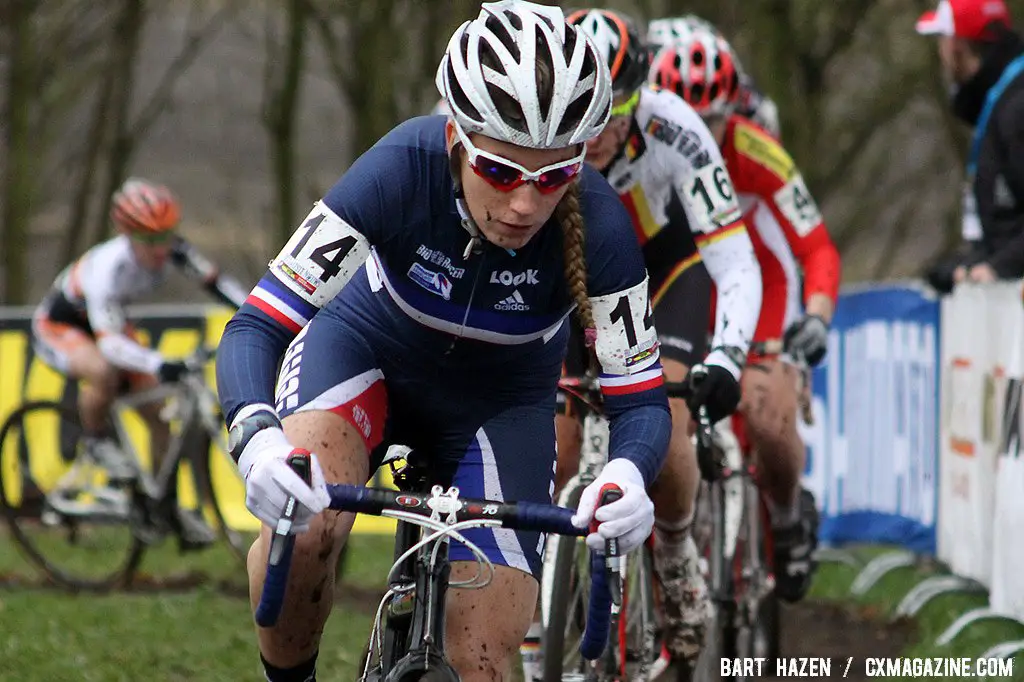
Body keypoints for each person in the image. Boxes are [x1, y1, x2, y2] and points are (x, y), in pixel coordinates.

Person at [215, 3, 671, 681]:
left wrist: (628, 473)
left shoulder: (600, 224)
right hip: (365, 360)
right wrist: (256, 438)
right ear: (457, 136)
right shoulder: (400, 166)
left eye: (551, 177)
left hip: (501, 407)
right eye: (503, 171)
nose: (525, 204)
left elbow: (640, 399)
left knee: (483, 662)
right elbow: (258, 323)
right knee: (306, 532)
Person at [567, 8, 763, 664]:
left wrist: (729, 355)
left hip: (666, 273)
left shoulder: (675, 128)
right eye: (583, 118)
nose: (596, 135)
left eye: (614, 115)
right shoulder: (540, 125)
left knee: (669, 412)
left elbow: (734, 260)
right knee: (555, 448)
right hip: (576, 280)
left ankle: (677, 555)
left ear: (640, 98)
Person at [650, 25, 841, 603]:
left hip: (763, 285)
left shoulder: (756, 148)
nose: (700, 136)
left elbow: (816, 247)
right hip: (687, 286)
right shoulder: (648, 147)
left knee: (764, 411)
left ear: (734, 111)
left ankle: (785, 515)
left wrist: (817, 315)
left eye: (713, 123)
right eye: (687, 118)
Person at [31, 177, 248, 548]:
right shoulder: (107, 268)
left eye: (166, 235)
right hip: (60, 325)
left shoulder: (175, 250)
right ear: (129, 235)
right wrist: (157, 361)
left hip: (109, 324)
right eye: (150, 240)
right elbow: (111, 345)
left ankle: (159, 503)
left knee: (158, 413)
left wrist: (255, 316)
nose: (161, 248)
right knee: (102, 371)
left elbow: (218, 283)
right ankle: (95, 441)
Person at [915, 0, 1024, 291]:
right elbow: (1009, 224)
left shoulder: (1016, 109)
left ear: (955, 47)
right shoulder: (999, 105)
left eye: (940, 39)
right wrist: (972, 263)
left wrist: (999, 268)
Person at [646, 15, 783, 141]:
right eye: (680, 123)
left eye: (709, 123)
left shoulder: (753, 105)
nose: (697, 138)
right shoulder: (644, 87)